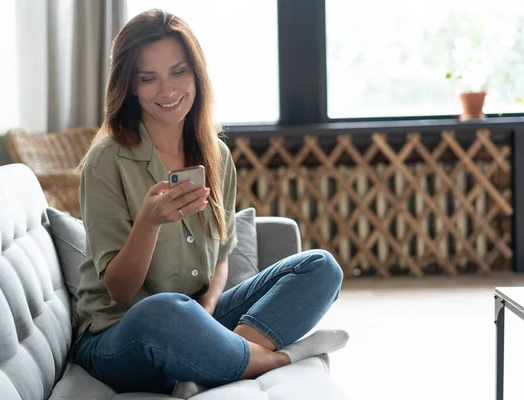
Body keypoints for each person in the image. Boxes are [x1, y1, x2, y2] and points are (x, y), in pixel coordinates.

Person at [74, 9, 348, 396]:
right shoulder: (107, 160)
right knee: (166, 310)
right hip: (120, 335)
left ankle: (217, 358)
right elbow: (119, 291)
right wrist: (148, 223)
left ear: (196, 75)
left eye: (178, 72)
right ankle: (274, 358)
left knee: (321, 267)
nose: (167, 90)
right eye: (148, 78)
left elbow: (221, 255)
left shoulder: (216, 155)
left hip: (199, 316)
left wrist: (205, 312)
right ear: (131, 87)